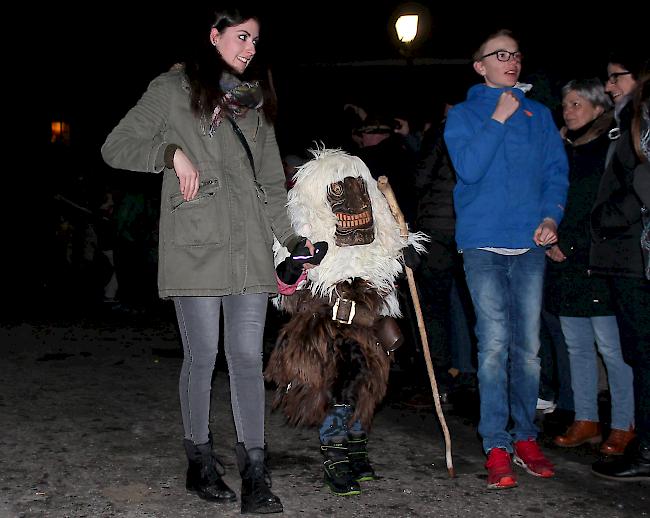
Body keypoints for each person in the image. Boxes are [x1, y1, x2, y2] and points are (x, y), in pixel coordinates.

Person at [101, 5, 314, 513]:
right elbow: (116, 145)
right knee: (202, 357)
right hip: (197, 245)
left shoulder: (251, 102)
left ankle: (256, 474)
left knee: (245, 359)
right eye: (242, 37)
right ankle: (199, 462)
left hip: (251, 254)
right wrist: (169, 152)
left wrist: (293, 241)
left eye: (256, 42)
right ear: (213, 36)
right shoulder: (172, 91)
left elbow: (268, 185)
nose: (250, 49)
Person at [443, 29, 569, 489]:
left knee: (528, 350)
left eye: (515, 54)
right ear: (480, 66)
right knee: (494, 346)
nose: (511, 61)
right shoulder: (463, 115)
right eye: (500, 55)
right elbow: (470, 169)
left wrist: (551, 218)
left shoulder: (540, 115)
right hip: (482, 245)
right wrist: (497, 117)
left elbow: (556, 174)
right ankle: (496, 441)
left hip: (530, 244)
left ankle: (526, 436)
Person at [265, 148, 427, 496]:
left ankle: (355, 447)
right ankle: (335, 455)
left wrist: (407, 254)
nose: (350, 201)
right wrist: (290, 271)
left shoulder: (378, 232)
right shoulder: (305, 231)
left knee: (364, 389)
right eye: (338, 191)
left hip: (367, 328)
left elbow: (390, 263)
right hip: (323, 329)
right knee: (335, 390)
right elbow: (283, 287)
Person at [547, 79, 635, 455]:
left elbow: (601, 205)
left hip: (597, 259)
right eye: (565, 104)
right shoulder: (564, 149)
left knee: (612, 348)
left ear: (599, 108)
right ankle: (586, 418)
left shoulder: (608, 149)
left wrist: (571, 242)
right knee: (577, 346)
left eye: (577, 103)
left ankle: (624, 423)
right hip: (564, 261)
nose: (569, 110)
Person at [590, 52, 649, 480]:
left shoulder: (641, 115)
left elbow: (642, 178)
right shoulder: (626, 118)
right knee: (638, 354)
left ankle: (644, 449)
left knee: (643, 355)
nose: (609, 86)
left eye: (616, 77)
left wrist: (610, 214)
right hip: (628, 255)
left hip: (635, 252)